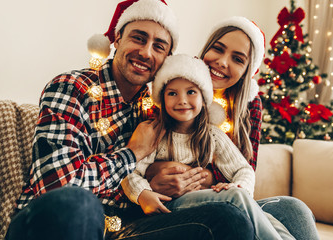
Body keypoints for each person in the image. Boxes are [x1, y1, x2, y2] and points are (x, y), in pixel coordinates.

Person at [6, 1, 255, 240]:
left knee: (229, 218)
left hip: (126, 228)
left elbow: (191, 151)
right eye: (138, 38)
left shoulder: (158, 107)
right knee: (79, 203)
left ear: (166, 58)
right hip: (51, 221)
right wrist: (131, 155)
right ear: (117, 39)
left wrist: (161, 180)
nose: (146, 52)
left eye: (159, 46)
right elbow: (57, 186)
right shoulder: (72, 88)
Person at [146, 16, 320, 240]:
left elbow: (245, 167)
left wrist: (208, 176)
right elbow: (140, 153)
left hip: (226, 196)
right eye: (218, 49)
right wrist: (155, 171)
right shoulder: (176, 86)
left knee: (293, 209)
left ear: (248, 69)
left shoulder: (249, 106)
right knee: (234, 209)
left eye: (237, 59)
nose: (222, 62)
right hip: (178, 203)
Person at [122, 53, 295, 239]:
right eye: (172, 93)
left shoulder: (212, 135)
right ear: (162, 99)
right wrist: (143, 194)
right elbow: (129, 172)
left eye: (191, 92)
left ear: (204, 99)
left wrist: (238, 185)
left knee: (269, 218)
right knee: (236, 198)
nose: (182, 100)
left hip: (206, 202)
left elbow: (243, 169)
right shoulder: (155, 133)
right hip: (170, 206)